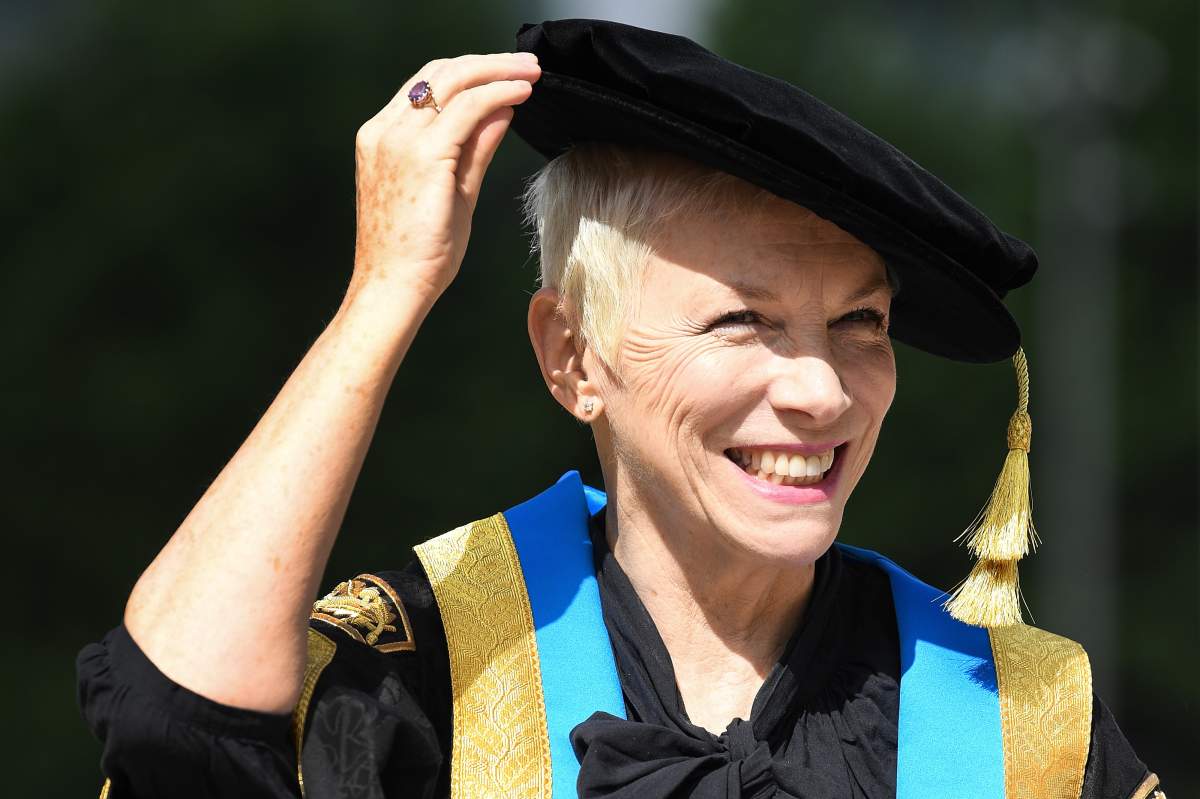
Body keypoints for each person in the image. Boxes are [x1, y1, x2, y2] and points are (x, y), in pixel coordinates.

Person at [76, 19, 1164, 799]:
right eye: (742, 320)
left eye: (860, 323)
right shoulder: (426, 666)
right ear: (572, 356)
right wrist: (384, 292)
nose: (823, 389)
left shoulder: (1022, 724)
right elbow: (177, 727)